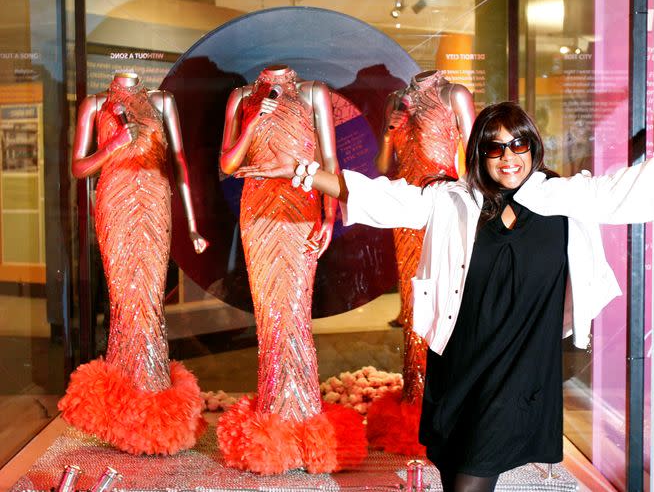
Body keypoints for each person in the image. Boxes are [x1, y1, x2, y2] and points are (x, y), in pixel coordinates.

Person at [236, 91, 654, 491]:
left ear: (533, 148)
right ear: (480, 153)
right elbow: (379, 198)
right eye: (496, 148)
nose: (509, 158)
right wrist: (303, 171)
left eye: (519, 146)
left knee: (470, 483)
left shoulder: (564, 199)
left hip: (520, 371)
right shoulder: (453, 201)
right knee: (455, 470)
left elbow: (644, 185)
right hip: (458, 364)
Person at [217, 64, 366, 474]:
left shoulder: (314, 91)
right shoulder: (242, 97)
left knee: (295, 313)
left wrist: (330, 216)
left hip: (300, 208)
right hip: (258, 214)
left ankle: (302, 418)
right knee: (270, 316)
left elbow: (329, 159)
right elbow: (228, 164)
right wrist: (252, 121)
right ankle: (274, 417)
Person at [59, 71, 209, 455]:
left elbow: (178, 162)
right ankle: (126, 411)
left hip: (156, 200)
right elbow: (79, 167)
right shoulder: (95, 104)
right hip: (115, 200)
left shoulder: (161, 102)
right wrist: (112, 146)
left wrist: (191, 224)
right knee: (125, 303)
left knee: (150, 302)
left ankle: (153, 402)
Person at [369, 69, 475, 455]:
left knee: (448, 300)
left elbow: (475, 156)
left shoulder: (454, 94)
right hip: (404, 210)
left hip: (444, 208)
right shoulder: (395, 100)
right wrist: (387, 131)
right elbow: (384, 166)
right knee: (414, 305)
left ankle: (449, 399)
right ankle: (415, 400)